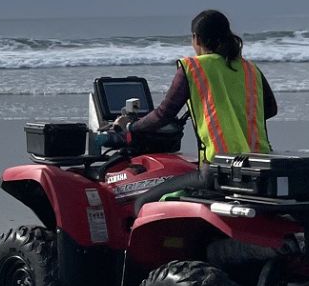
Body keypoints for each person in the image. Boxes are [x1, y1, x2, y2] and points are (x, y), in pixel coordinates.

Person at [115, 9, 278, 168]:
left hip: (218, 165)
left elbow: (164, 114)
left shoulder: (193, 68)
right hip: (259, 163)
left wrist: (130, 126)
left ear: (196, 39)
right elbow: (270, 109)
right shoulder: (250, 68)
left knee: (153, 192)